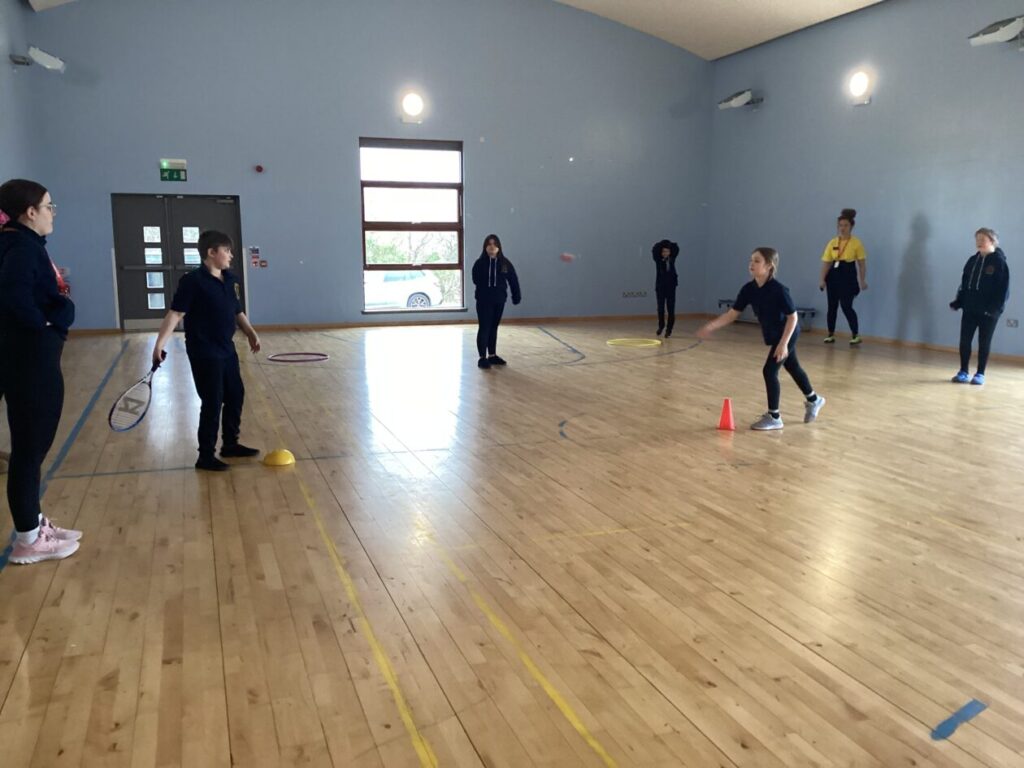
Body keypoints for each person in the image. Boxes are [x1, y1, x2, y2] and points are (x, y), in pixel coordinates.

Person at [0, 179, 81, 564]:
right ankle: (29, 540)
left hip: (21, 356)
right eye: (49, 206)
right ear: (30, 212)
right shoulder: (21, 248)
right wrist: (45, 328)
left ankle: (32, 523)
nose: (52, 213)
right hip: (31, 359)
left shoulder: (18, 243)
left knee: (29, 450)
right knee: (30, 451)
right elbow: (13, 296)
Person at [152, 230, 260, 471]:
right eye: (227, 251)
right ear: (211, 252)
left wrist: (250, 332)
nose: (231, 255)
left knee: (236, 395)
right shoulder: (192, 282)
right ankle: (205, 455)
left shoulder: (231, 280)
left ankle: (230, 444)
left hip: (227, 349)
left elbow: (236, 310)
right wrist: (159, 345)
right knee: (212, 401)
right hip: (204, 351)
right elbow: (176, 314)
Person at [698, 247, 825, 431]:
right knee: (792, 366)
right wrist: (711, 326)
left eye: (757, 261)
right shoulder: (749, 289)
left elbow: (793, 317)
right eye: (751, 260)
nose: (751, 264)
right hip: (773, 334)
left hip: (787, 332)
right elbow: (732, 314)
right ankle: (814, 399)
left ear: (769, 266)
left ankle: (774, 417)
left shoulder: (779, 290)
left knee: (769, 371)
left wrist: (783, 344)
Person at [949, 228, 1009, 385]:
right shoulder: (972, 261)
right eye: (977, 239)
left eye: (983, 239)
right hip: (970, 309)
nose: (979, 242)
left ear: (992, 241)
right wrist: (959, 301)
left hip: (988, 312)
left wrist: (994, 309)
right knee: (965, 341)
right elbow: (964, 284)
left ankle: (980, 373)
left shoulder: (999, 262)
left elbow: (1003, 290)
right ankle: (963, 371)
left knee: (984, 342)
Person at [471, 234, 521, 369]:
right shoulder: (479, 263)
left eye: (494, 244)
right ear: (485, 247)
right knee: (484, 327)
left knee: (494, 327)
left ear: (499, 247)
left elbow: (513, 280)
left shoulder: (505, 263)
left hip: (499, 300)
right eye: (489, 244)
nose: (492, 247)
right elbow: (475, 279)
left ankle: (492, 355)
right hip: (484, 301)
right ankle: (482, 358)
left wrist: (516, 296)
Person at [819, 208, 867, 345]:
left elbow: (861, 264)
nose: (842, 228)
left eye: (846, 225)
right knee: (832, 306)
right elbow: (826, 263)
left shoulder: (856, 243)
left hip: (848, 275)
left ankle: (855, 334)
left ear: (851, 226)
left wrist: (862, 280)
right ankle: (830, 334)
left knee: (846, 306)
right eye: (840, 225)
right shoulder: (832, 243)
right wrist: (822, 280)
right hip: (833, 276)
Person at [652, 239, 679, 337]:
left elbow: (676, 248)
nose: (665, 253)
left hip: (671, 287)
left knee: (671, 309)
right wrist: (662, 244)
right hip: (660, 287)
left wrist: (668, 244)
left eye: (667, 251)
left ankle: (669, 329)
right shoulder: (658, 260)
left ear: (670, 252)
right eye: (663, 251)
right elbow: (654, 249)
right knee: (660, 308)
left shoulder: (672, 259)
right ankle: (661, 326)